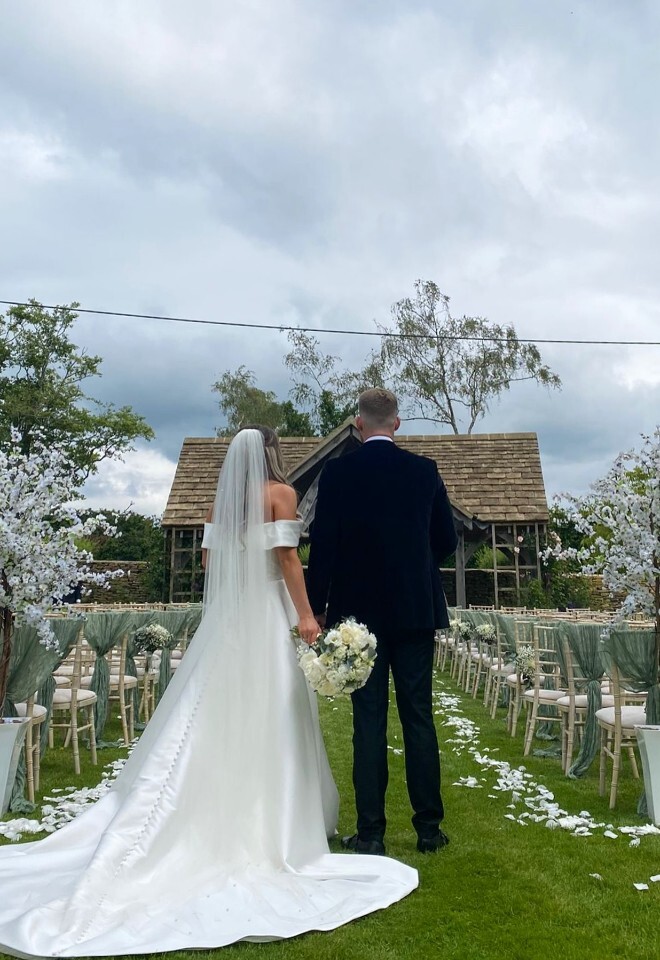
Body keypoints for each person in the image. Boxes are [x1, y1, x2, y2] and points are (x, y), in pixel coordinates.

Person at [0, 425, 417, 958]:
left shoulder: (226, 503)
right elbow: (289, 561)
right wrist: (308, 616)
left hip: (230, 620)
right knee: (274, 711)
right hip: (266, 615)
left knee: (204, 712)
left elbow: (209, 565)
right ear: (272, 452)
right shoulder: (279, 494)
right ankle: (270, 821)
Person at [306, 389, 458, 856]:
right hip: (414, 612)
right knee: (418, 717)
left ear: (357, 424)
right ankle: (428, 830)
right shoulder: (423, 471)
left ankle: (371, 833)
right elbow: (447, 540)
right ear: (396, 423)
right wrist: (412, 564)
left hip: (360, 619)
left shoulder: (337, 473)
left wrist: (315, 608)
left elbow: (323, 547)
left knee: (367, 721)